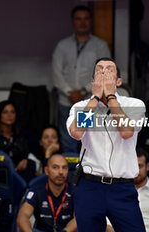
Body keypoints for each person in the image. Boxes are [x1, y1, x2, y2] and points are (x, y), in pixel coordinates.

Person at [67, 57, 146, 231]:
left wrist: (110, 96)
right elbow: (77, 133)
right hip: (89, 186)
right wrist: (95, 97)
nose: (104, 72)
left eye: (109, 69)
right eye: (99, 70)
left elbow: (126, 132)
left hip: (122, 187)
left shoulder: (134, 104)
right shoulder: (80, 107)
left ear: (118, 81)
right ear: (93, 81)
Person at [52, 5, 111, 153]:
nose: (82, 22)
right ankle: (70, 174)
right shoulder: (62, 45)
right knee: (68, 141)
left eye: (86, 18)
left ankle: (88, 174)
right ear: (73, 21)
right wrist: (69, 92)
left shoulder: (100, 45)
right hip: (67, 102)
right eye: (78, 19)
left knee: (90, 142)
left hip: (90, 102)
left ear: (91, 21)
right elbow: (56, 72)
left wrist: (84, 91)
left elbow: (105, 72)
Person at [17, 153, 77, 232]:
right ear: (46, 170)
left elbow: (78, 219)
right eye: (55, 167)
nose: (61, 172)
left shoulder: (75, 191)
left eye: (64, 168)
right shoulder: (36, 189)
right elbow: (22, 216)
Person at [0, 100, 34, 182]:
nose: (9, 115)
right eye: (5, 112)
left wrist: (25, 161)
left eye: (12, 112)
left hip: (19, 175)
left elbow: (27, 155)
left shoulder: (21, 136)